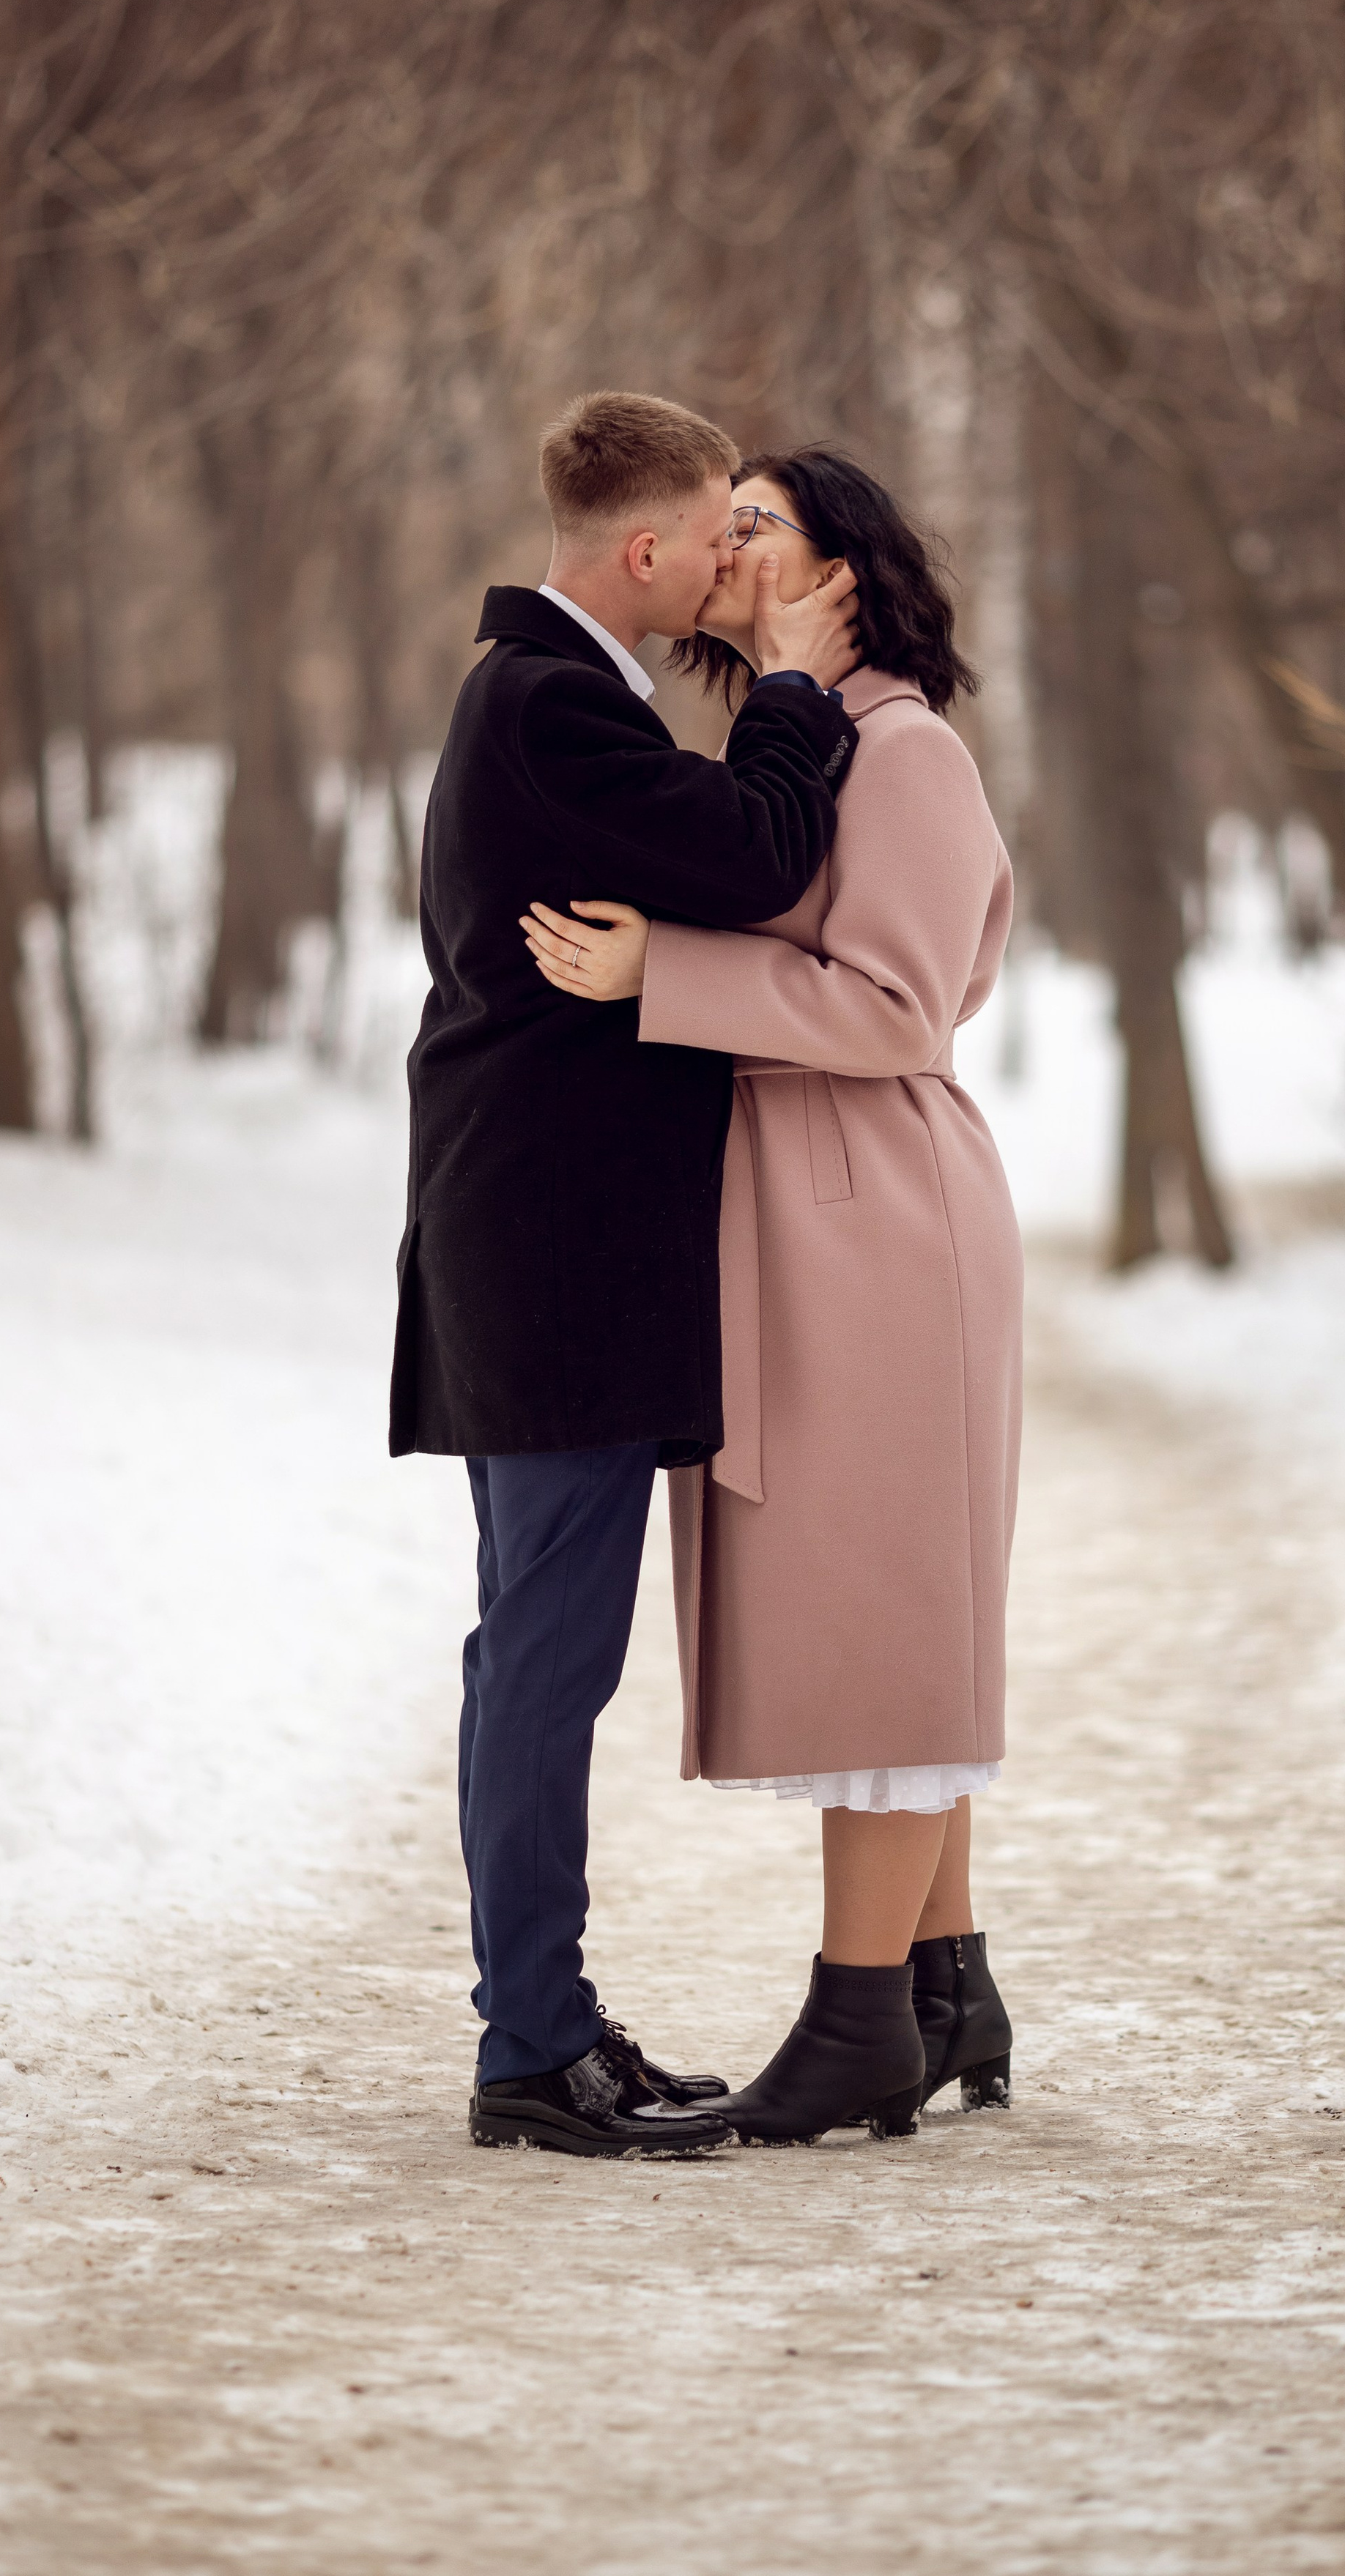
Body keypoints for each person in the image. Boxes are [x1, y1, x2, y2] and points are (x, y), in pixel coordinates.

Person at [520, 448, 1022, 2145]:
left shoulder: (906, 750)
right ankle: (944, 1981)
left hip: (874, 1210)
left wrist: (672, 967)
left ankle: (857, 2017)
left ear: (845, 577)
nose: (726, 547)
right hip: (818, 1207)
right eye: (717, 520)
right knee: (891, 1594)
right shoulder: (810, 742)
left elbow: (894, 1005)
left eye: (762, 527)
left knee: (881, 1609)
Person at [392, 393, 862, 2157]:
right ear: (646, 551)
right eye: (721, 537)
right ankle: (530, 2048)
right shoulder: (549, 705)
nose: (742, 558)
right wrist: (806, 689)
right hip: (550, 1263)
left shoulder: (548, 696)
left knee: (532, 1651)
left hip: (532, 1247)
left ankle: (545, 2022)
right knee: (542, 1658)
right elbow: (754, 850)